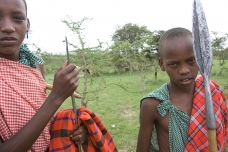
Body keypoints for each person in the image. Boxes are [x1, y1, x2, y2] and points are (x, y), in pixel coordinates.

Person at [0, 0, 87, 151]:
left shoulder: (35, 64)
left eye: (17, 18)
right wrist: (56, 97)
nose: (8, 27)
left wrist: (70, 130)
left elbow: (43, 122)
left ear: (27, 24)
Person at [136, 27, 228, 152]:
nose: (184, 70)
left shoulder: (210, 92)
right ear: (162, 64)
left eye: (191, 60)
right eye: (174, 64)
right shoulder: (153, 104)